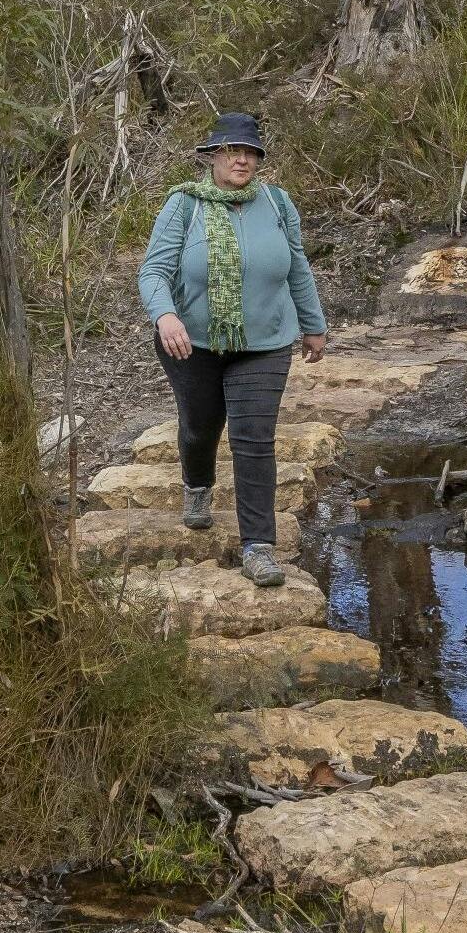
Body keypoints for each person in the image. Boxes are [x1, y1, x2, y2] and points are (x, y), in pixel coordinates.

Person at [137, 112, 329, 587]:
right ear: (211, 157)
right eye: (231, 150)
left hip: (264, 342)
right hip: (191, 343)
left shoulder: (277, 203)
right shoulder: (184, 206)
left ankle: (259, 547)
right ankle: (197, 488)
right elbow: (153, 272)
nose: (241, 158)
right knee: (200, 428)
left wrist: (313, 324)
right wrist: (165, 315)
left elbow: (297, 267)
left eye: (250, 151)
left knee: (254, 439)